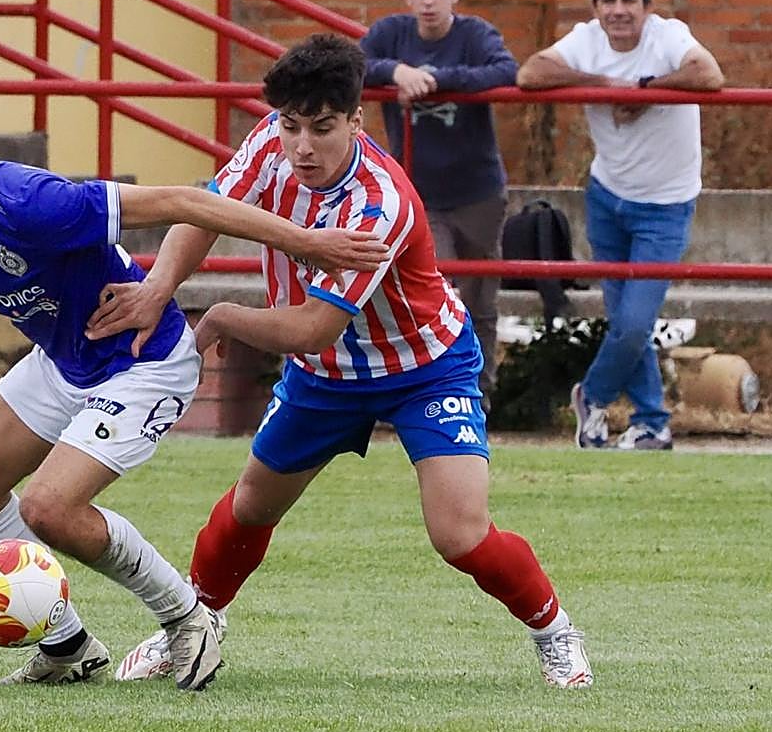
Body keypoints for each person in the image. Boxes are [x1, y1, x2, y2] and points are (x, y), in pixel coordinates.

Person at [0, 69, 387, 692]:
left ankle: (188, 619)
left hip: (143, 364)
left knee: (49, 507)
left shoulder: (32, 201)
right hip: (65, 361)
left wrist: (307, 242)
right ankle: (67, 649)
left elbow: (184, 202)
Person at [88, 34, 593, 688]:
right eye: (293, 126)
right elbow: (207, 211)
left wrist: (218, 317)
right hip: (326, 379)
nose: (302, 146)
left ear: (356, 120)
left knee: (459, 533)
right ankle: (193, 626)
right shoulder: (271, 142)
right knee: (249, 507)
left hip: (423, 368)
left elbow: (313, 327)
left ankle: (556, 633)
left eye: (322, 129)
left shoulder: (377, 202)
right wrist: (158, 289)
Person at [516, 0, 724, 451]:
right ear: (595, 7)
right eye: (608, 1)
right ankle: (652, 421)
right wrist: (605, 85)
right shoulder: (586, 39)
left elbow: (709, 74)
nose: (618, 11)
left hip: (666, 204)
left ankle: (592, 396)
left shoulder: (668, 36)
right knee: (627, 321)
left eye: (629, 0)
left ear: (648, 7)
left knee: (634, 323)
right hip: (607, 197)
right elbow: (530, 72)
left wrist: (646, 91)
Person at [360, 0, 518, 409]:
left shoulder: (475, 34)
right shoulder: (391, 34)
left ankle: (479, 395)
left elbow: (505, 71)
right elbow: (355, 65)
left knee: (480, 298)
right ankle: (435, 391)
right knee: (437, 289)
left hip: (478, 190)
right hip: (417, 194)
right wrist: (396, 72)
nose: (428, 0)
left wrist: (435, 81)